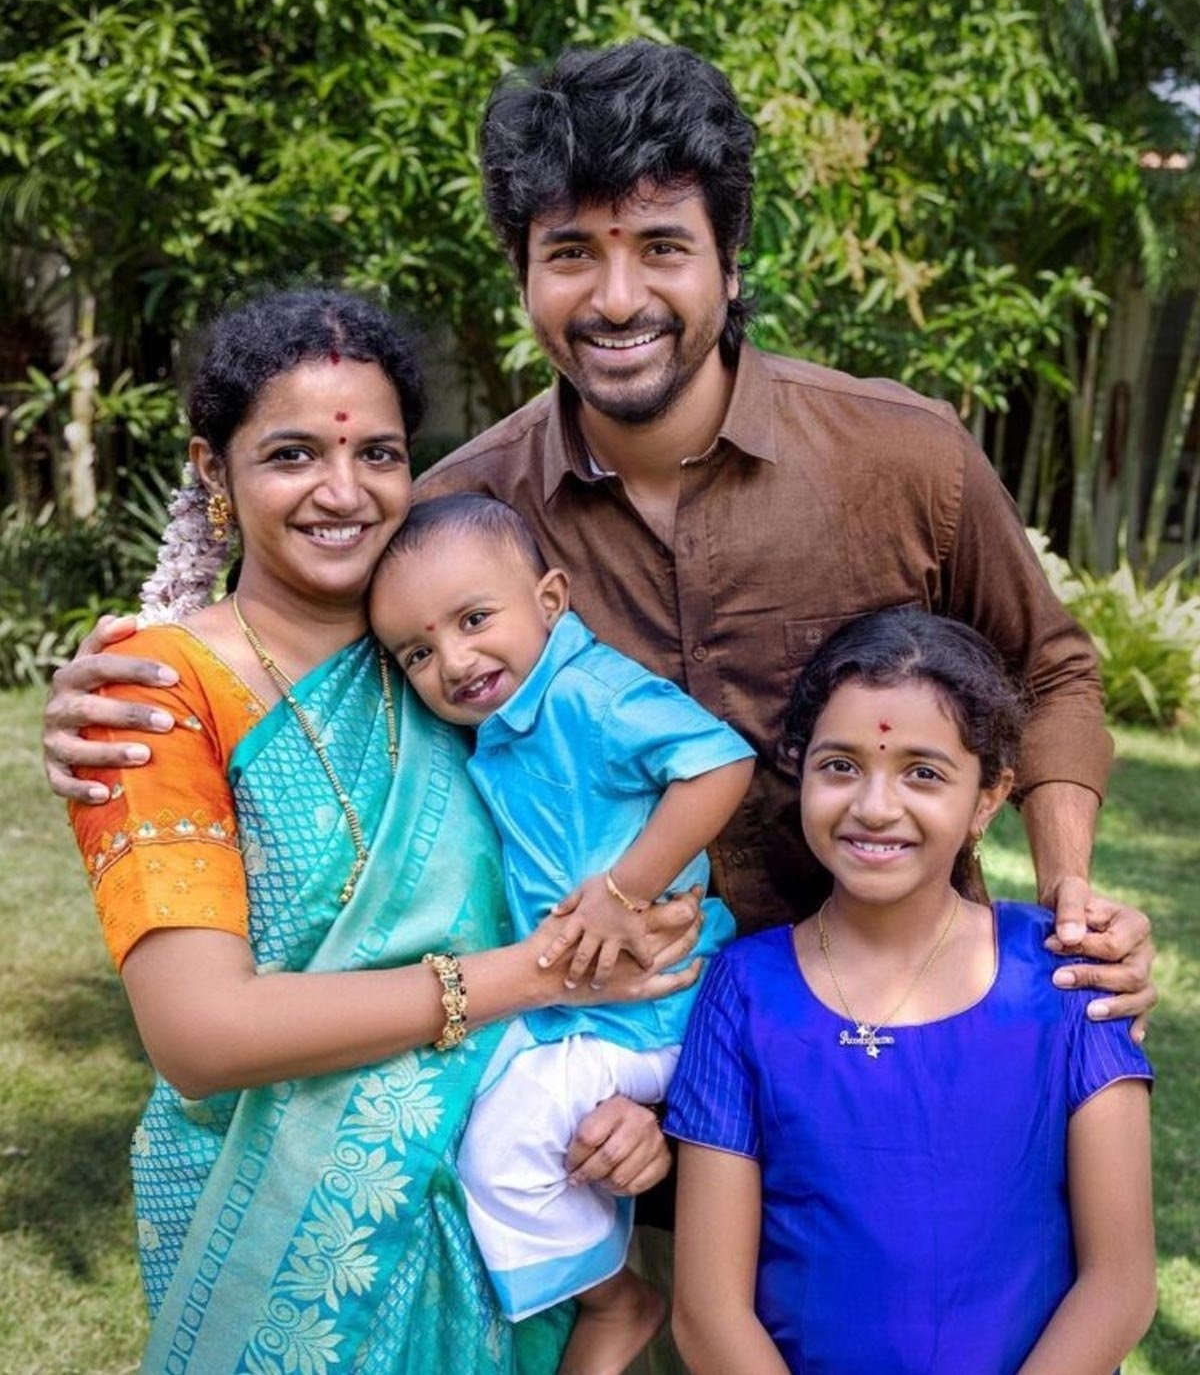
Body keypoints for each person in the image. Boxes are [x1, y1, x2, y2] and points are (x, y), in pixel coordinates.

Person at [42, 38, 1155, 1025]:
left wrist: (1070, 893)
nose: (617, 298)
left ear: (729, 261)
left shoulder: (902, 456)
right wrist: (118, 699)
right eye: (572, 252)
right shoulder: (459, 523)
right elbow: (301, 664)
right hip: (598, 1072)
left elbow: (1050, 671)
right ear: (525, 275)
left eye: (662, 247)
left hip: (902, 1022)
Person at [64, 289, 702, 1374]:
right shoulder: (156, 694)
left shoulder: (457, 661)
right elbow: (202, 1036)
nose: (343, 491)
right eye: (292, 455)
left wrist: (620, 1093)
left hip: (498, 1190)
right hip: (269, 1217)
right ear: (214, 471)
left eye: (380, 454)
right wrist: (540, 976)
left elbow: (607, 856)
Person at [667, 609, 1156, 1375]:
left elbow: (1120, 1285)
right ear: (800, 770)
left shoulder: (1069, 979)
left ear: (989, 797)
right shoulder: (744, 992)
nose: (874, 806)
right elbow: (707, 1312)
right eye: (840, 765)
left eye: (922, 773)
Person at [368, 493, 754, 1372]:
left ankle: (614, 1305)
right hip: (574, 1006)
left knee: (504, 1147)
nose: (454, 661)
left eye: (474, 620)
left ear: (550, 600)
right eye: (418, 653)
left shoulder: (588, 695)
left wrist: (624, 890)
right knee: (448, 1106)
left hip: (650, 1009)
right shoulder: (503, 721)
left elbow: (720, 762)